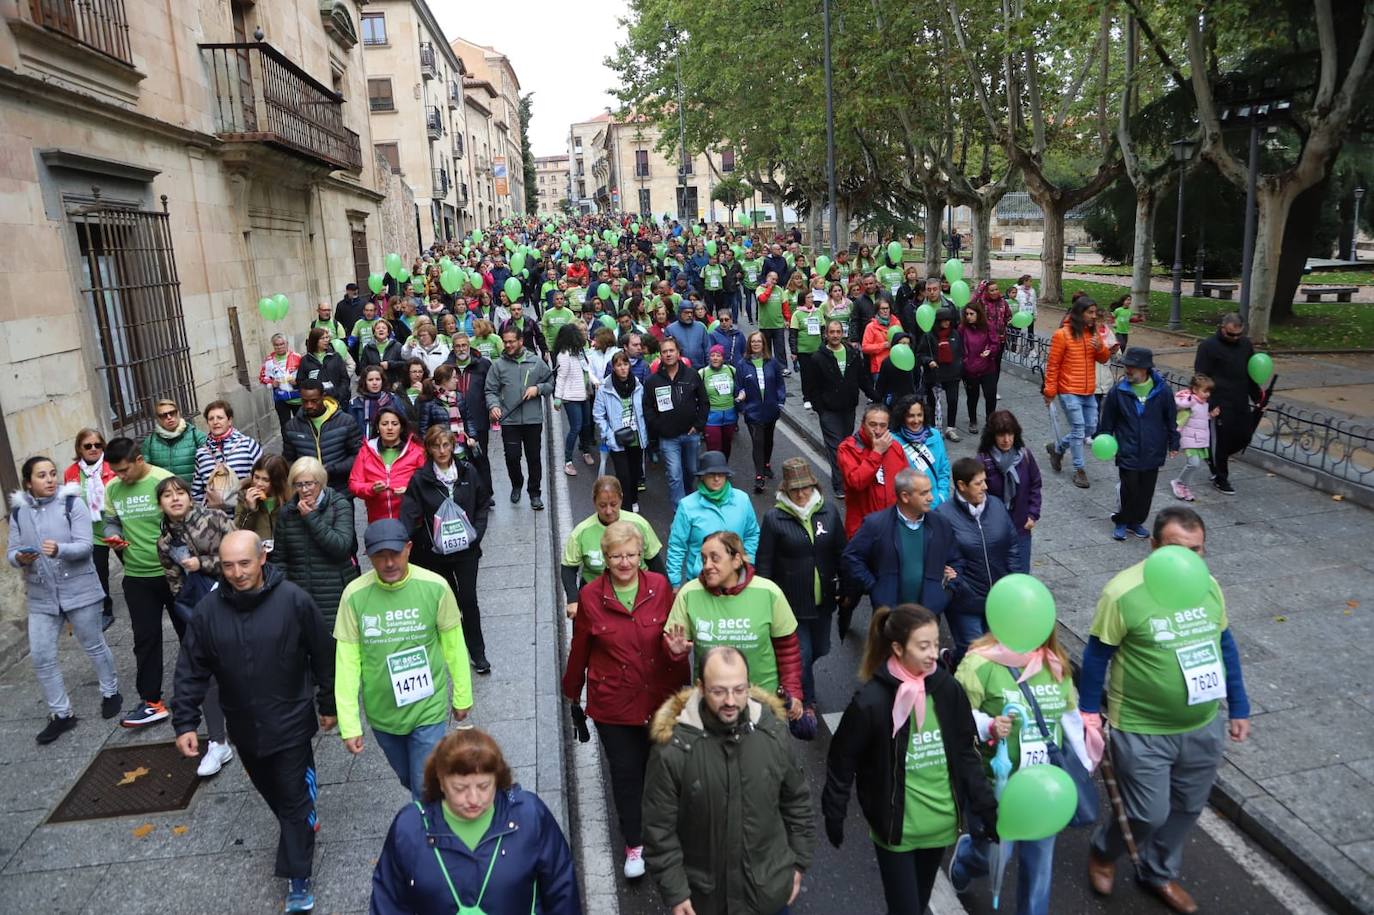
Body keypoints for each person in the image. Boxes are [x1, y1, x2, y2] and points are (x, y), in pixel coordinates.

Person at [1079, 507, 1251, 914]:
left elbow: (1225, 645)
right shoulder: (1122, 592)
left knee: (1188, 807)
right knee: (1147, 814)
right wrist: (1088, 714)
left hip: (1203, 723)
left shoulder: (1208, 587)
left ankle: (1158, 872)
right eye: (1176, 549)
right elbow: (1097, 655)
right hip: (1141, 728)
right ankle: (1104, 852)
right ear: (1153, 546)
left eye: (1196, 551)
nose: (1187, 561)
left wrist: (1239, 705)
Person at [173, 531, 335, 914]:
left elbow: (323, 653)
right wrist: (184, 722)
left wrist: (329, 703)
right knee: (275, 794)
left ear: (262, 557)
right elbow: (190, 669)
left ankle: (298, 876)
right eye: (228, 566)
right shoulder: (209, 612)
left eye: (244, 563)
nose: (237, 572)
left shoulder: (294, 601)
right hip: (245, 727)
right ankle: (301, 823)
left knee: (294, 799)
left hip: (292, 720)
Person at [823, 604, 998, 915]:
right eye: (923, 646)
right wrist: (834, 813)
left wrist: (987, 808)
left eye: (934, 644)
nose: (934, 653)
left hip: (939, 825)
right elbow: (842, 760)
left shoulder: (947, 689)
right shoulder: (872, 702)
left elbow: (966, 753)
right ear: (897, 648)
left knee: (916, 904)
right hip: (896, 831)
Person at [642, 646, 815, 915]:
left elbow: (796, 801)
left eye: (739, 689)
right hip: (706, 902)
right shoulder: (672, 750)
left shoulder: (772, 733)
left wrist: (799, 862)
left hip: (769, 894)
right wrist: (676, 893)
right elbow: (658, 831)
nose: (731, 701)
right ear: (700, 687)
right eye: (719, 691)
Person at [563, 521, 687, 879]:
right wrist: (572, 690)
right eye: (616, 556)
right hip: (614, 704)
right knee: (626, 773)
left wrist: (679, 654)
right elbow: (581, 647)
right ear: (604, 558)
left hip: (662, 699)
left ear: (640, 556)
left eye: (631, 555)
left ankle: (666, 833)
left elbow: (673, 639)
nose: (625, 562)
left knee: (662, 771)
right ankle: (634, 842)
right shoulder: (590, 597)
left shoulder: (661, 587)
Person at [948, 627, 1086, 915]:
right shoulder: (980, 663)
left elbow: (1069, 717)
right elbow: (955, 715)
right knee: (993, 856)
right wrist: (989, 725)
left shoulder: (1056, 663)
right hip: (994, 786)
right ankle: (966, 858)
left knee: (1039, 869)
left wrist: (1085, 762)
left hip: (1045, 788)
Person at [335, 519, 474, 802]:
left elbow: (454, 645)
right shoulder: (354, 596)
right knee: (409, 778)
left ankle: (431, 836)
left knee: (423, 788)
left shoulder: (435, 587)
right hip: (383, 715)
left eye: (395, 554)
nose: (388, 563)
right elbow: (347, 662)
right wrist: (349, 723)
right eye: (379, 556)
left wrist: (462, 695)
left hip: (428, 709)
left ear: (408, 549)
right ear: (369, 557)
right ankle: (438, 807)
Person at [371, 728, 581, 914]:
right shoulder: (408, 829)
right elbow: (389, 902)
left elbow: (561, 887)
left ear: (497, 780)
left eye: (483, 786)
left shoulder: (529, 815)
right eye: (460, 788)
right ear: (441, 782)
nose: (473, 799)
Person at [9, 456, 121, 743]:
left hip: (79, 590)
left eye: (52, 474)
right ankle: (62, 714)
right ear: (28, 482)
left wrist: (60, 549)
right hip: (42, 595)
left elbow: (85, 547)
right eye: (41, 475)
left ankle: (110, 691)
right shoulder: (19, 512)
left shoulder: (73, 503)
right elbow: (11, 552)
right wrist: (20, 557)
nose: (49, 480)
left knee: (93, 644)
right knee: (43, 657)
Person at [663, 532, 804, 719]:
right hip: (711, 706)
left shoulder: (769, 592)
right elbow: (672, 646)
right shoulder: (689, 593)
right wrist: (675, 652)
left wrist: (793, 691)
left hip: (763, 703)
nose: (707, 566)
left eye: (715, 558)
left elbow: (787, 649)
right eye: (704, 559)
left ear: (736, 560)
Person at [154, 474, 236, 776]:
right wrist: (188, 610)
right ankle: (217, 741)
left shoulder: (215, 518)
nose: (175, 498)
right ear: (160, 504)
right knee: (207, 674)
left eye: (180, 493)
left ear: (190, 496)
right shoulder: (165, 542)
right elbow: (174, 582)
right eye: (167, 495)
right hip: (202, 612)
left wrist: (204, 565)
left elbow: (242, 556)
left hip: (235, 599)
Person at [755, 458, 845, 721]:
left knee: (821, 648)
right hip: (791, 605)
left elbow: (841, 551)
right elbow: (764, 563)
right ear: (786, 490)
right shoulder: (774, 518)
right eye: (795, 489)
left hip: (824, 601)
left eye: (805, 487)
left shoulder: (828, 512)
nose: (802, 493)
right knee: (802, 654)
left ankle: (797, 676)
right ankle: (807, 699)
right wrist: (766, 602)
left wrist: (846, 585)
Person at [399, 425, 493, 675]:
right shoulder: (420, 479)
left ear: (453, 446)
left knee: (469, 600)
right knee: (448, 602)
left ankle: (478, 651)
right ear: (428, 449)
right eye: (435, 446)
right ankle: (456, 645)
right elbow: (409, 515)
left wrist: (477, 533)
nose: (442, 451)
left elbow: (482, 503)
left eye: (446, 445)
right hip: (436, 555)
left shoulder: (468, 472)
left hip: (466, 552)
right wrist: (403, 542)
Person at [102, 437, 178, 728]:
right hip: (136, 576)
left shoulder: (163, 480)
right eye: (115, 471)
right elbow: (110, 520)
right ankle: (151, 701)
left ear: (139, 460)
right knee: (145, 640)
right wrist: (112, 535)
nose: (120, 476)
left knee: (191, 633)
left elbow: (185, 518)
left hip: (171, 572)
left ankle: (203, 689)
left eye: (124, 470)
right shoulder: (113, 488)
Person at [842, 468, 956, 625]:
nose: (931, 497)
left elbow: (957, 559)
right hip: (889, 616)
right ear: (905, 496)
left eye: (930, 491)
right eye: (924, 493)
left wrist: (947, 590)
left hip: (928, 615)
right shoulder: (876, 524)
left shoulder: (941, 524)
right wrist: (874, 586)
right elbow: (852, 556)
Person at [936, 457, 1017, 663]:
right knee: (973, 654)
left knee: (997, 653)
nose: (985, 487)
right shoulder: (943, 515)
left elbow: (1013, 545)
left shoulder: (997, 506)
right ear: (961, 486)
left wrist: (1014, 579)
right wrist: (959, 586)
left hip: (999, 599)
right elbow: (940, 559)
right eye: (978, 483)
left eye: (985, 481)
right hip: (965, 601)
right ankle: (957, 674)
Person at [1097, 347, 1179, 541]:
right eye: (1127, 366)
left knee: (1146, 491)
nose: (1128, 370)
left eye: (1132, 367)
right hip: (1128, 449)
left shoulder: (1163, 392)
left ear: (1145, 369)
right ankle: (1122, 520)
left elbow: (1170, 419)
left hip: (1153, 451)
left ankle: (1136, 521)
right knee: (1129, 488)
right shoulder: (1119, 391)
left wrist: (1174, 442)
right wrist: (1104, 438)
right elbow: (1108, 419)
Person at [272, 457, 359, 639]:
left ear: (320, 482)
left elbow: (341, 547)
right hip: (300, 594)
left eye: (309, 484)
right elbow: (280, 559)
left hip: (334, 593)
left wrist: (311, 519)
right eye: (298, 484)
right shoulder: (287, 513)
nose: (304, 490)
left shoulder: (339, 506)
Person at [1043, 297, 1113, 489]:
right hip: (1068, 389)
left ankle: (1057, 448)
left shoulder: (1093, 334)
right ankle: (1079, 470)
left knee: (1090, 428)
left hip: (1088, 389)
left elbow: (1104, 358)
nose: (1093, 316)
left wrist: (1101, 348)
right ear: (1079, 313)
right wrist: (1050, 391)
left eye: (1094, 312)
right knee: (1079, 427)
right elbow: (1053, 365)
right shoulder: (1062, 335)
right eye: (1090, 312)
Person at [664, 452, 761, 589]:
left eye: (721, 474)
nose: (716, 479)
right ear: (702, 477)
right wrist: (674, 582)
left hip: (737, 578)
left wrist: (746, 562)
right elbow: (677, 546)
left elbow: (752, 534)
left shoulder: (742, 500)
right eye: (711, 474)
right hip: (702, 581)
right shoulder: (687, 506)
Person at [484, 326, 555, 510]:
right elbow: (490, 390)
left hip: (533, 420)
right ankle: (517, 483)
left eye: (511, 342)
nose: (507, 345)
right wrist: (494, 406)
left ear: (521, 341)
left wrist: (538, 389)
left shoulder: (536, 362)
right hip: (510, 421)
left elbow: (550, 383)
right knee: (512, 457)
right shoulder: (498, 365)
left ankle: (535, 493)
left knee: (534, 458)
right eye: (505, 342)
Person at [1193, 313, 1262, 495]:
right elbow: (1201, 376)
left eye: (1239, 334)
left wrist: (1258, 398)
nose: (1235, 338)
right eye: (1231, 334)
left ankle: (1212, 456)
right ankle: (1220, 477)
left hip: (1240, 399)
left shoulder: (1245, 345)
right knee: (1221, 441)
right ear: (1222, 328)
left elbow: (1251, 374)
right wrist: (1209, 403)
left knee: (1244, 436)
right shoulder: (1208, 346)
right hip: (1219, 402)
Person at [642, 337, 709, 506]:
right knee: (674, 474)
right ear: (660, 356)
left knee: (692, 471)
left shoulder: (692, 375)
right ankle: (679, 511)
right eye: (664, 351)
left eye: (671, 350)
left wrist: (699, 425)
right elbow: (647, 408)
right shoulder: (652, 381)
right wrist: (658, 427)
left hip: (691, 434)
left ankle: (689, 500)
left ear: (678, 353)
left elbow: (704, 402)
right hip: (668, 438)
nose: (668, 354)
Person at [814, 320, 875, 499]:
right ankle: (839, 484)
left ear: (842, 334)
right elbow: (811, 387)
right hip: (828, 411)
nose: (834, 335)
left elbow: (862, 379)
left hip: (848, 408)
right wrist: (820, 409)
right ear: (826, 334)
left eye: (838, 332)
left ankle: (847, 477)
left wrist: (875, 395)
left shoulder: (853, 354)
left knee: (847, 445)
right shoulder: (818, 357)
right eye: (831, 332)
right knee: (836, 447)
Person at [64, 428, 118, 630]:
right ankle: (106, 610)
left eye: (97, 444)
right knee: (99, 572)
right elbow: (69, 502)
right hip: (91, 529)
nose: (93, 449)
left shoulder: (111, 465)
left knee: (131, 563)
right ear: (79, 448)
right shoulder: (71, 472)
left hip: (116, 524)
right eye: (88, 446)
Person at [977, 410, 1043, 574]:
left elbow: (1035, 484)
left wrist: (1033, 514)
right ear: (993, 436)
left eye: (1010, 434)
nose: (1006, 440)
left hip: (1021, 526)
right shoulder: (983, 460)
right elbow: (977, 495)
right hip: (994, 529)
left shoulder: (1025, 455)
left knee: (1021, 573)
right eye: (1001, 435)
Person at [837, 404, 909, 539]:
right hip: (863, 530)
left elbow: (905, 483)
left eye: (883, 425)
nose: (877, 430)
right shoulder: (848, 448)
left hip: (892, 528)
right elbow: (856, 482)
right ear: (863, 424)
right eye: (873, 424)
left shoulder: (895, 447)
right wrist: (876, 453)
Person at [282, 379, 364, 497]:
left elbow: (359, 456)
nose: (309, 405)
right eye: (305, 401)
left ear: (323, 397)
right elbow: (288, 460)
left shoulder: (345, 421)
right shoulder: (292, 427)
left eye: (314, 401)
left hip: (340, 492)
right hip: (307, 494)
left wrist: (332, 469)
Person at [348, 406, 426, 523]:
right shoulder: (366, 451)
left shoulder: (416, 452)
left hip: (410, 519)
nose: (390, 428)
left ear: (401, 427)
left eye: (394, 424)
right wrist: (371, 489)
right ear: (378, 428)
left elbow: (427, 484)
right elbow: (354, 484)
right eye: (384, 424)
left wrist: (409, 491)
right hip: (378, 521)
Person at [594, 351, 649, 505]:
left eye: (625, 364)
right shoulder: (605, 387)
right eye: (619, 365)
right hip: (617, 436)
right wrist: (608, 434)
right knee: (623, 475)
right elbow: (598, 414)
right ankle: (626, 508)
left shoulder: (637, 384)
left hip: (636, 435)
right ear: (614, 368)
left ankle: (633, 499)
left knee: (635, 472)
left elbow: (643, 410)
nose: (623, 368)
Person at [737, 330, 787, 494]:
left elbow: (780, 384)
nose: (756, 344)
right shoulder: (742, 364)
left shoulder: (772, 362)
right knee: (758, 442)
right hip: (753, 412)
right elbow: (738, 387)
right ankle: (759, 476)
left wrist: (780, 402)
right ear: (749, 345)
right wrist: (743, 407)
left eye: (759, 341)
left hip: (771, 410)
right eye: (753, 342)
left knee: (768, 441)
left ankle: (766, 464)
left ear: (763, 344)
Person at [189, 400, 262, 513]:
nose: (215, 422)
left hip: (244, 514)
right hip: (215, 519)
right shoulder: (201, 453)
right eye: (211, 419)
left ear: (229, 420)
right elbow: (197, 491)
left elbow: (264, 477)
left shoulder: (247, 444)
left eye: (220, 417)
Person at [447, 333, 495, 499]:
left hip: (478, 419)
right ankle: (466, 494)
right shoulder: (447, 366)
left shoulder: (483, 365)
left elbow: (491, 389)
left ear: (469, 346)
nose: (461, 349)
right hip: (454, 422)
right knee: (460, 459)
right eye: (458, 346)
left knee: (480, 457)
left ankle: (486, 494)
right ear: (453, 348)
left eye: (464, 345)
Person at [890, 394, 952, 509]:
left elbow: (944, 469)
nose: (916, 420)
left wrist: (942, 496)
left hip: (936, 503)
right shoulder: (893, 441)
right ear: (902, 417)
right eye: (911, 416)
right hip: (910, 507)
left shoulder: (935, 435)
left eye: (919, 415)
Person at [552, 323, 596, 477]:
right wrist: (558, 398)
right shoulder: (564, 355)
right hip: (571, 398)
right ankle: (568, 460)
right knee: (576, 427)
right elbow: (561, 378)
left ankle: (585, 451)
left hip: (584, 395)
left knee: (586, 425)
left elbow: (587, 369)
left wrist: (595, 381)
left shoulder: (580, 352)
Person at [1171, 374, 1219, 502]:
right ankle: (1178, 482)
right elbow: (1179, 422)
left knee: (1195, 465)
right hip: (1189, 438)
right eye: (1205, 391)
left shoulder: (1203, 404)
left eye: (1209, 391)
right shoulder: (1190, 404)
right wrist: (1174, 441)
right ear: (1195, 390)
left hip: (1198, 439)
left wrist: (1210, 415)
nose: (1208, 394)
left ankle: (1184, 486)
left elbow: (1200, 419)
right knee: (1194, 463)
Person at [920, 307, 964, 441]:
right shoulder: (928, 336)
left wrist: (960, 367)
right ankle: (934, 428)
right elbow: (920, 354)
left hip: (952, 374)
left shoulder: (955, 334)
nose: (947, 323)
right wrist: (928, 361)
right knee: (933, 403)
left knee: (953, 400)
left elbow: (960, 352)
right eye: (944, 321)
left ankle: (951, 428)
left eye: (949, 320)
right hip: (935, 374)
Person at [958, 301, 1000, 435]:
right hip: (970, 369)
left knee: (990, 395)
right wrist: (964, 361)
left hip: (988, 367)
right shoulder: (962, 328)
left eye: (972, 314)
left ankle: (990, 421)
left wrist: (990, 351)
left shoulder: (988, 326)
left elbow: (995, 343)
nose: (969, 316)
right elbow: (959, 346)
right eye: (967, 314)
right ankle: (973, 420)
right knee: (972, 396)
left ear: (978, 314)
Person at [141, 399, 207, 480]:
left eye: (172, 413)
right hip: (164, 491)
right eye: (163, 415)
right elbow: (145, 472)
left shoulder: (196, 435)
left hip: (193, 490)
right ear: (158, 419)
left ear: (178, 413)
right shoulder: (150, 442)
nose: (169, 417)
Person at [234, 453, 290, 542]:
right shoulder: (243, 496)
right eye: (256, 477)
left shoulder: (288, 500)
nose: (259, 484)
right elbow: (239, 533)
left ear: (277, 482)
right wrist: (250, 510)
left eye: (265, 480)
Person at [699, 344, 740, 458]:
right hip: (711, 417)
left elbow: (741, 387)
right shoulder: (702, 373)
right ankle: (714, 473)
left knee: (727, 447)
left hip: (730, 415)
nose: (715, 358)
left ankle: (723, 472)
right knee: (714, 449)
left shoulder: (731, 370)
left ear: (723, 357)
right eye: (712, 355)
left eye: (718, 355)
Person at [261, 332, 302, 441]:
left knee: (300, 424)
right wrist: (271, 382)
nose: (279, 347)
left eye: (281, 344)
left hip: (296, 397)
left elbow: (305, 375)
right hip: (280, 398)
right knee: (285, 425)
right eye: (276, 345)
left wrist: (297, 382)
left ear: (287, 344)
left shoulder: (297, 357)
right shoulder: (269, 360)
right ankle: (288, 448)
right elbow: (262, 377)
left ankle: (301, 444)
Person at [298, 327, 352, 402]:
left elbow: (344, 379)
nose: (326, 340)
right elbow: (301, 381)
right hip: (316, 402)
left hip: (337, 400)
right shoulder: (305, 360)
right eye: (322, 338)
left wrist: (340, 394)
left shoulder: (336, 357)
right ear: (315, 340)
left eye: (327, 337)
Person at [349, 365, 402, 436]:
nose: (374, 383)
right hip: (364, 444)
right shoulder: (355, 403)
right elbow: (352, 431)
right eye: (370, 380)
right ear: (364, 382)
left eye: (378, 379)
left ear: (382, 381)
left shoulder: (394, 399)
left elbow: (402, 423)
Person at [861, 298, 901, 381]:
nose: (885, 311)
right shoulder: (870, 327)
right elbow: (865, 348)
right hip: (879, 368)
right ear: (877, 310)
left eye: (887, 308)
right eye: (883, 309)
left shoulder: (896, 323)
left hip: (897, 364)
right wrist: (883, 345)